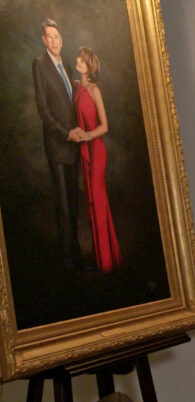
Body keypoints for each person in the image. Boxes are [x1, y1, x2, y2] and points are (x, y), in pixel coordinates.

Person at [32, 18, 85, 268]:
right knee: (62, 203)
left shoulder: (68, 67)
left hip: (74, 145)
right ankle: (67, 259)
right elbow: (43, 110)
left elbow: (70, 104)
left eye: (57, 37)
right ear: (44, 40)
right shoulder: (39, 65)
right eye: (49, 36)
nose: (54, 40)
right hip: (58, 143)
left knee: (74, 200)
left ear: (61, 41)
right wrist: (66, 134)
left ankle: (75, 250)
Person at [74, 46, 123, 273]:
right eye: (78, 59)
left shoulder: (94, 90)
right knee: (91, 201)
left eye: (82, 60)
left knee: (99, 201)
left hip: (96, 149)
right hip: (85, 150)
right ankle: (102, 257)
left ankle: (107, 262)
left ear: (89, 67)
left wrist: (87, 136)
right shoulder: (78, 88)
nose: (78, 61)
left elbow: (105, 126)